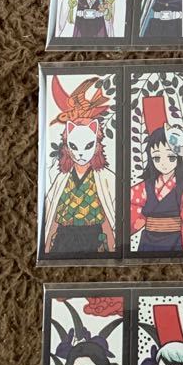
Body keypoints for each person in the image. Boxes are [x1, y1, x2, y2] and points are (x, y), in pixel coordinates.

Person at [41, 76, 116, 257]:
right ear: (67, 147)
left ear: (97, 145)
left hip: (94, 236)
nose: (80, 154)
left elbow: (108, 213)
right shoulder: (61, 177)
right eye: (74, 146)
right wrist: (47, 245)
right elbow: (53, 211)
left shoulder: (106, 178)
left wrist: (113, 245)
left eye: (88, 145)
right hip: (64, 237)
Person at [129, 94, 183, 252]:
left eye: (170, 157)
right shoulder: (146, 186)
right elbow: (131, 207)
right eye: (156, 158)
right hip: (149, 240)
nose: (163, 163)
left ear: (179, 158)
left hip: (174, 240)